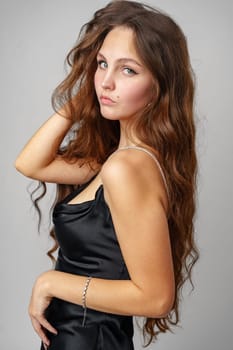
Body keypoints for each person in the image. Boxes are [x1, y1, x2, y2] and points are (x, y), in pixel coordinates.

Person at [15, 1, 199, 349]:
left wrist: (51, 283)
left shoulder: (125, 168)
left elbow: (156, 297)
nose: (107, 82)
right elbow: (30, 164)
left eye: (128, 70)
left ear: (158, 86)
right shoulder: (118, 159)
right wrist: (85, 96)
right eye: (102, 64)